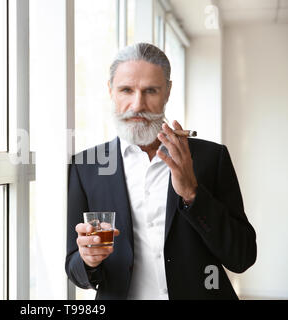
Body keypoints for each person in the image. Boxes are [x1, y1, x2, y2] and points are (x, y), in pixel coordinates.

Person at [65, 43, 257, 300]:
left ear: (167, 92)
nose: (137, 104)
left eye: (151, 91)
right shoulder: (86, 167)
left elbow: (242, 256)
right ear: (111, 91)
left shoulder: (211, 158)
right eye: (126, 90)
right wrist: (88, 260)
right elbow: (74, 269)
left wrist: (192, 194)